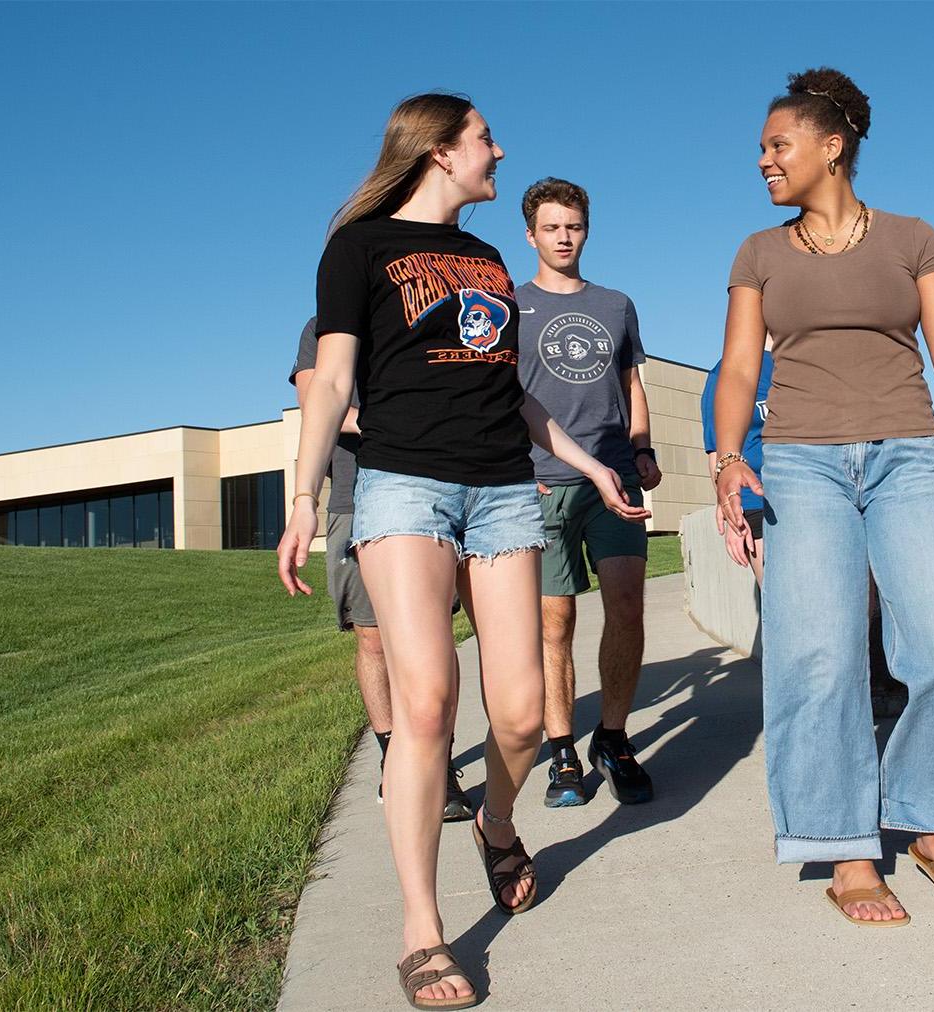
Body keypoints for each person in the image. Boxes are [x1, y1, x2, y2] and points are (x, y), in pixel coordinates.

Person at [277, 93, 648, 1011]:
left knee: (520, 717)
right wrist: (302, 498)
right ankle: (421, 929)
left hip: (502, 491)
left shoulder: (486, 261)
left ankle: (495, 820)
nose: (499, 150)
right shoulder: (358, 248)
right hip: (404, 487)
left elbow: (515, 398)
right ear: (441, 152)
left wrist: (591, 470)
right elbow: (328, 380)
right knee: (430, 700)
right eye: (486, 139)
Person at [713, 67, 934, 927]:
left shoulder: (913, 238)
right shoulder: (759, 252)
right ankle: (845, 843)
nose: (764, 160)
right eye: (763, 149)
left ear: (831, 146)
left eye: (778, 145)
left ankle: (930, 818)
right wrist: (725, 460)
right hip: (799, 464)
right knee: (818, 654)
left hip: (908, 458)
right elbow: (742, 364)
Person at [513, 178, 662, 809]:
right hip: (542, 481)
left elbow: (632, 381)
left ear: (586, 229)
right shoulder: (509, 304)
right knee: (555, 622)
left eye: (572, 226)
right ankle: (562, 752)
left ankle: (613, 737)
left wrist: (643, 447)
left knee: (627, 607)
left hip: (615, 477)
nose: (563, 237)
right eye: (551, 228)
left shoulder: (616, 303)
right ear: (531, 235)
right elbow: (504, 397)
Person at [290, 316, 471, 822]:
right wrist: (399, 418)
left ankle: (440, 760)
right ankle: (394, 754)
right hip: (355, 497)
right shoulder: (322, 328)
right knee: (372, 638)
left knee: (434, 634)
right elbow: (317, 400)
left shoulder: (424, 313)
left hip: (430, 491)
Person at [701, 338, 774, 583]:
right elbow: (717, 453)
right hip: (758, 501)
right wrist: (733, 516)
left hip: (817, 489)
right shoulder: (725, 372)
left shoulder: (805, 357)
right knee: (781, 599)